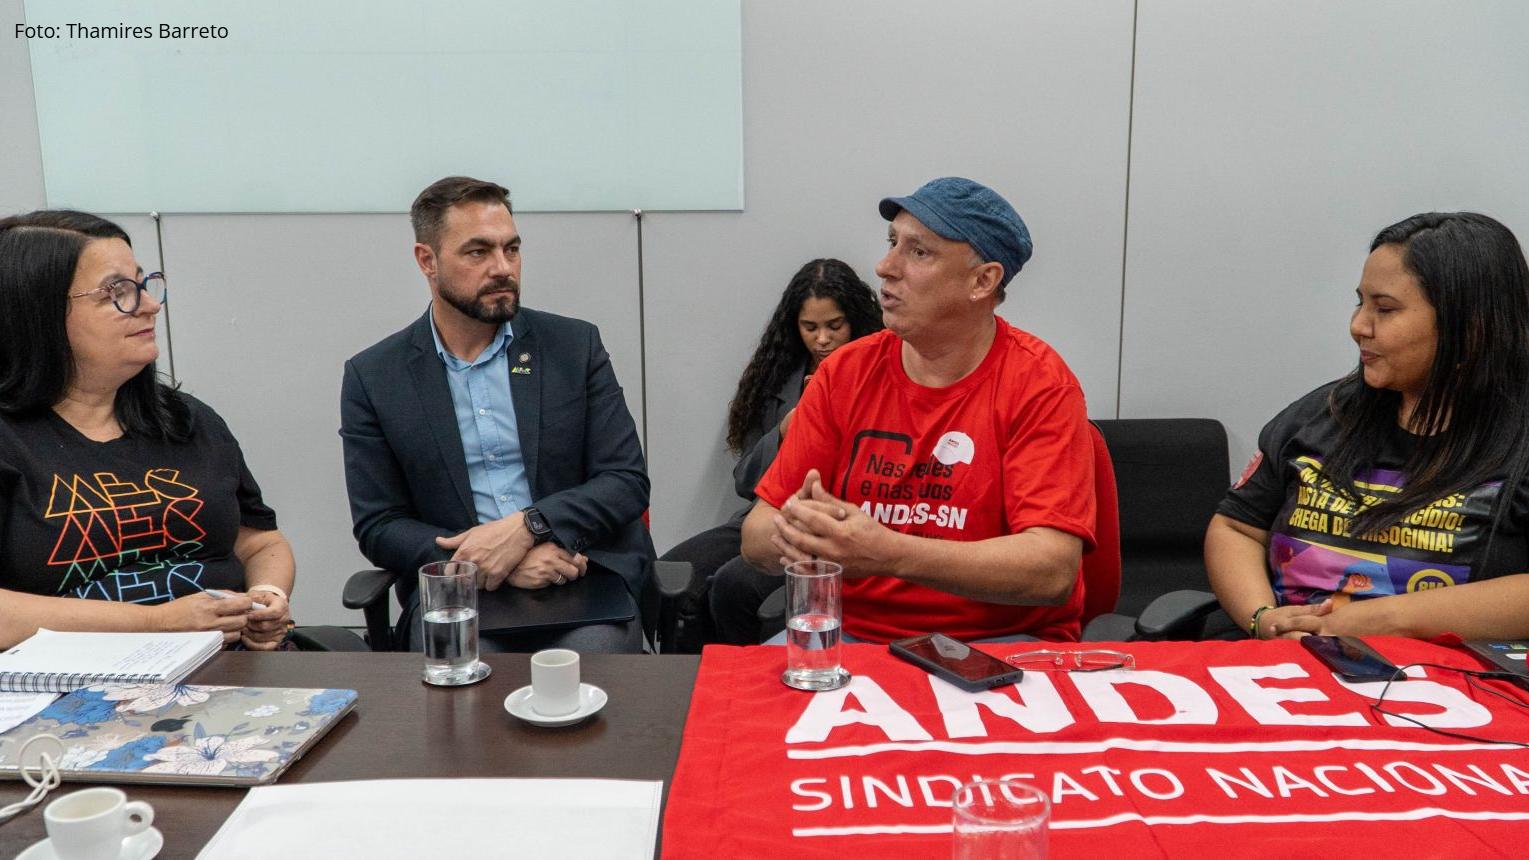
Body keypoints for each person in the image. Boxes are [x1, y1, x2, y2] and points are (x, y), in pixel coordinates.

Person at [738, 177, 1097, 643]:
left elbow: (1051, 570)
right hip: (853, 637)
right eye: (892, 243)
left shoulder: (1039, 384)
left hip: (997, 644)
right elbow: (755, 535)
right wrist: (814, 536)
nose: (885, 267)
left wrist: (887, 553)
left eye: (919, 252)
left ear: (982, 281)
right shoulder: (844, 372)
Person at [340, 176, 653, 653]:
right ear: (427, 260)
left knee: (588, 663)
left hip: (579, 571)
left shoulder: (573, 347)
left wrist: (529, 528)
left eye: (512, 249)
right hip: (460, 588)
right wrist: (482, 562)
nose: (503, 268)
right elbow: (379, 524)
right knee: (465, 670)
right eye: (478, 252)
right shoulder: (376, 376)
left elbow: (625, 480)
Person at [1208, 212, 1529, 641]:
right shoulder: (1320, 414)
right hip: (1285, 658)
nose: (1358, 326)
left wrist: (1375, 621)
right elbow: (1237, 528)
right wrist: (1265, 619)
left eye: (1385, 309)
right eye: (1360, 303)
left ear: (1471, 326)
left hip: (1446, 673)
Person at [0, 211, 295, 650]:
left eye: (143, 284)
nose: (150, 306)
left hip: (230, 662)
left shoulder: (187, 418)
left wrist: (268, 595)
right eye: (116, 292)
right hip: (73, 680)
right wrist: (157, 622)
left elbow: (258, 541)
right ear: (36, 312)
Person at [659, 259, 882, 647]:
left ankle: (744, 669)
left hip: (835, 520)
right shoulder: (777, 376)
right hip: (769, 513)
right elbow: (745, 480)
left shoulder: (878, 370)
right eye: (810, 327)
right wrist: (785, 429)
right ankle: (687, 670)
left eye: (834, 326)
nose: (822, 339)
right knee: (674, 570)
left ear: (855, 322)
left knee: (731, 584)